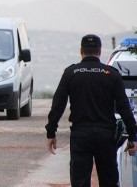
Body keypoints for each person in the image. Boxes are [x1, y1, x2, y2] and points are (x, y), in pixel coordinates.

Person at [45, 34, 137, 187]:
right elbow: (124, 107)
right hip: (106, 136)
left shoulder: (71, 73)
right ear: (99, 52)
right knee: (109, 181)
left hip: (80, 135)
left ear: (81, 51)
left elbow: (58, 105)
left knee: (79, 181)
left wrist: (51, 132)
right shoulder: (112, 74)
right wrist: (132, 136)